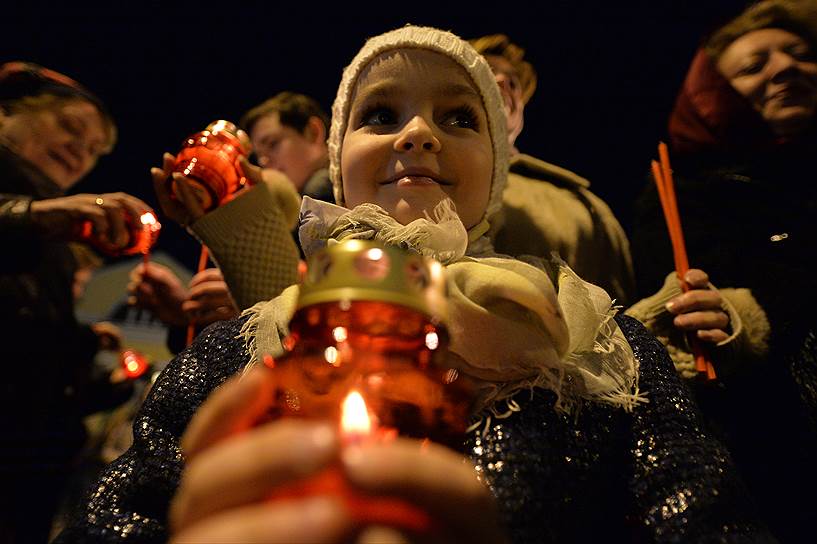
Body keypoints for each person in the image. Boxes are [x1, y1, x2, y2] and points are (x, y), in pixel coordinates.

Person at [58, 27, 773, 543]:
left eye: (459, 117)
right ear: (340, 158)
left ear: (496, 165)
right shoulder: (248, 342)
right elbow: (122, 515)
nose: (416, 134)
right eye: (380, 115)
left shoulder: (588, 334)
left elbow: (697, 508)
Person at [628, 1, 817, 540]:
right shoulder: (683, 192)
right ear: (711, 97)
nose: (786, 68)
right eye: (754, 65)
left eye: (802, 55)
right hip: (764, 461)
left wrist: (755, 311)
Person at [0, 61, 153, 542]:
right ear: (6, 112)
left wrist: (93, 365)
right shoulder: (45, 219)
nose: (79, 153)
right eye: (70, 127)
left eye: (93, 150)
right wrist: (33, 216)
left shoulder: (59, 240)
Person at [470, 34, 636, 305]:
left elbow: (623, 320)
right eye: (487, 71)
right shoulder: (419, 172)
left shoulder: (584, 206)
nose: (503, 83)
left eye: (513, 82)